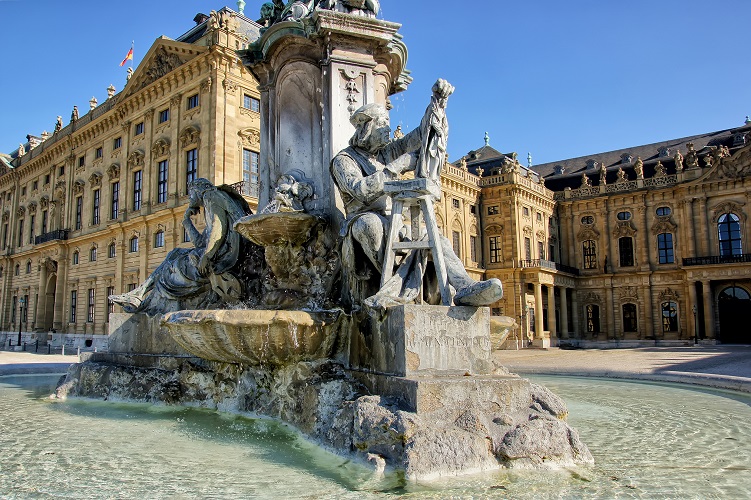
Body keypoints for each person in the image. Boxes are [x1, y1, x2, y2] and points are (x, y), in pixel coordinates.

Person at [330, 80, 502, 309]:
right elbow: (360, 191)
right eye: (382, 125)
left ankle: (463, 287)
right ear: (366, 128)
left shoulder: (385, 153)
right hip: (360, 219)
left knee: (431, 236)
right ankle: (398, 287)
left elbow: (419, 136)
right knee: (369, 224)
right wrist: (395, 168)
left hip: (392, 220)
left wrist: (437, 105)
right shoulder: (344, 160)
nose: (388, 130)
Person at [110, 179, 255, 314]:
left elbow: (219, 227)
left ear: (198, 190)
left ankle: (142, 298)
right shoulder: (210, 203)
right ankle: (139, 294)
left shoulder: (211, 195)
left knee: (174, 267)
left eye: (190, 192)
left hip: (224, 256)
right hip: (219, 251)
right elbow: (200, 243)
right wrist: (186, 221)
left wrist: (207, 256)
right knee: (175, 253)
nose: (189, 197)